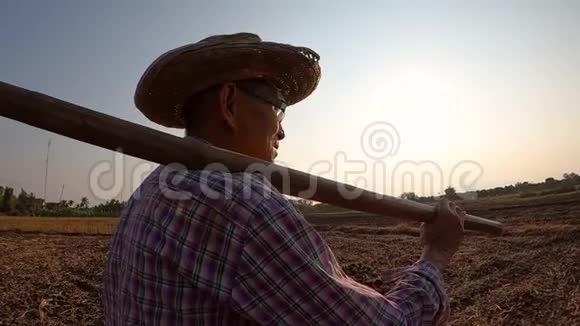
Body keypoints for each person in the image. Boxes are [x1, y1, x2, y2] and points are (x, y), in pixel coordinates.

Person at [103, 32, 465, 325]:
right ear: (229, 103)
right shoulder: (241, 205)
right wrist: (436, 254)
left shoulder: (153, 188)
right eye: (278, 107)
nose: (282, 132)